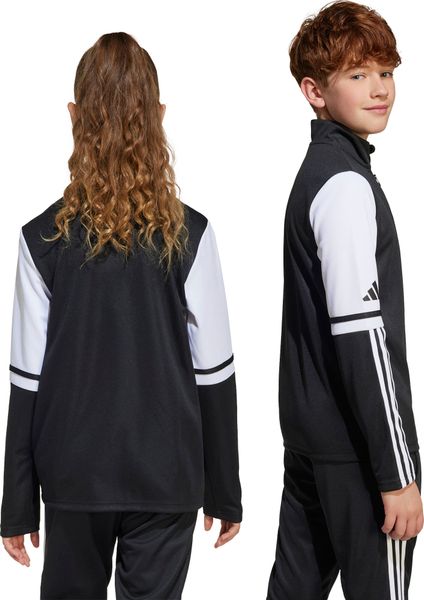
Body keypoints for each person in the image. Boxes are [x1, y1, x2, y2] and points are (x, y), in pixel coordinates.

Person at [0, 32, 242, 600]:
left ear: (73, 117)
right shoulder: (192, 234)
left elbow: (27, 381)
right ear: (159, 116)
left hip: (72, 476)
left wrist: (16, 502)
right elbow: (215, 374)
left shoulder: (41, 240)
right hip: (167, 475)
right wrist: (224, 487)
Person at [266, 2, 423, 598]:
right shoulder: (345, 186)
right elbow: (362, 335)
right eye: (358, 75)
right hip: (359, 454)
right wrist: (397, 473)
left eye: (386, 71)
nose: (380, 89)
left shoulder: (320, 172)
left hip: (311, 441)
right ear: (315, 91)